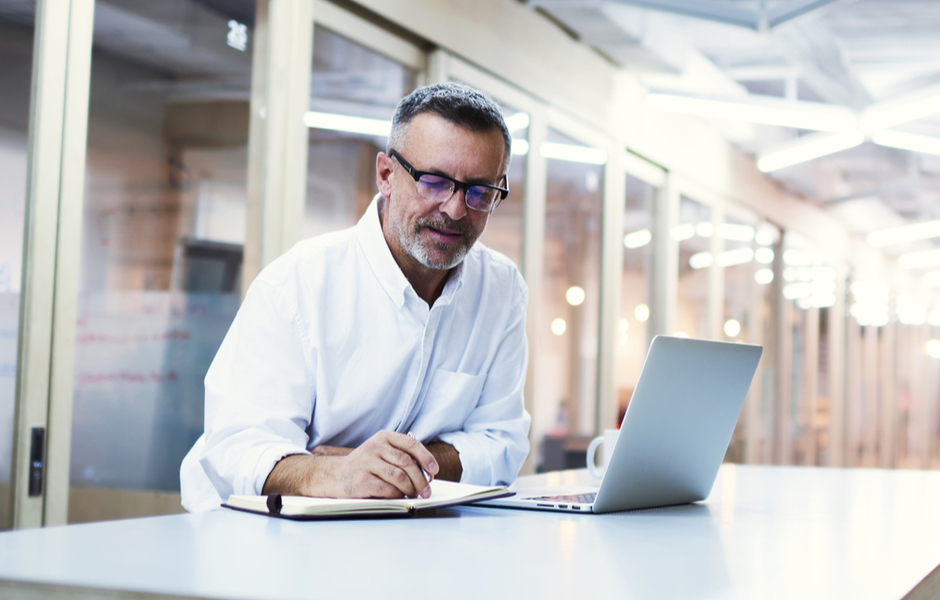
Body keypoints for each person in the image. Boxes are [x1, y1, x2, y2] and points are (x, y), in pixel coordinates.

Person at [180, 82, 531, 511]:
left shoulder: (501, 290)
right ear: (386, 175)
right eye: (435, 182)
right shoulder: (298, 285)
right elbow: (235, 446)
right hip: (257, 538)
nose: (456, 210)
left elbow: (502, 444)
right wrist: (334, 473)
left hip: (404, 539)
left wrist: (383, 467)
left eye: (480, 192)